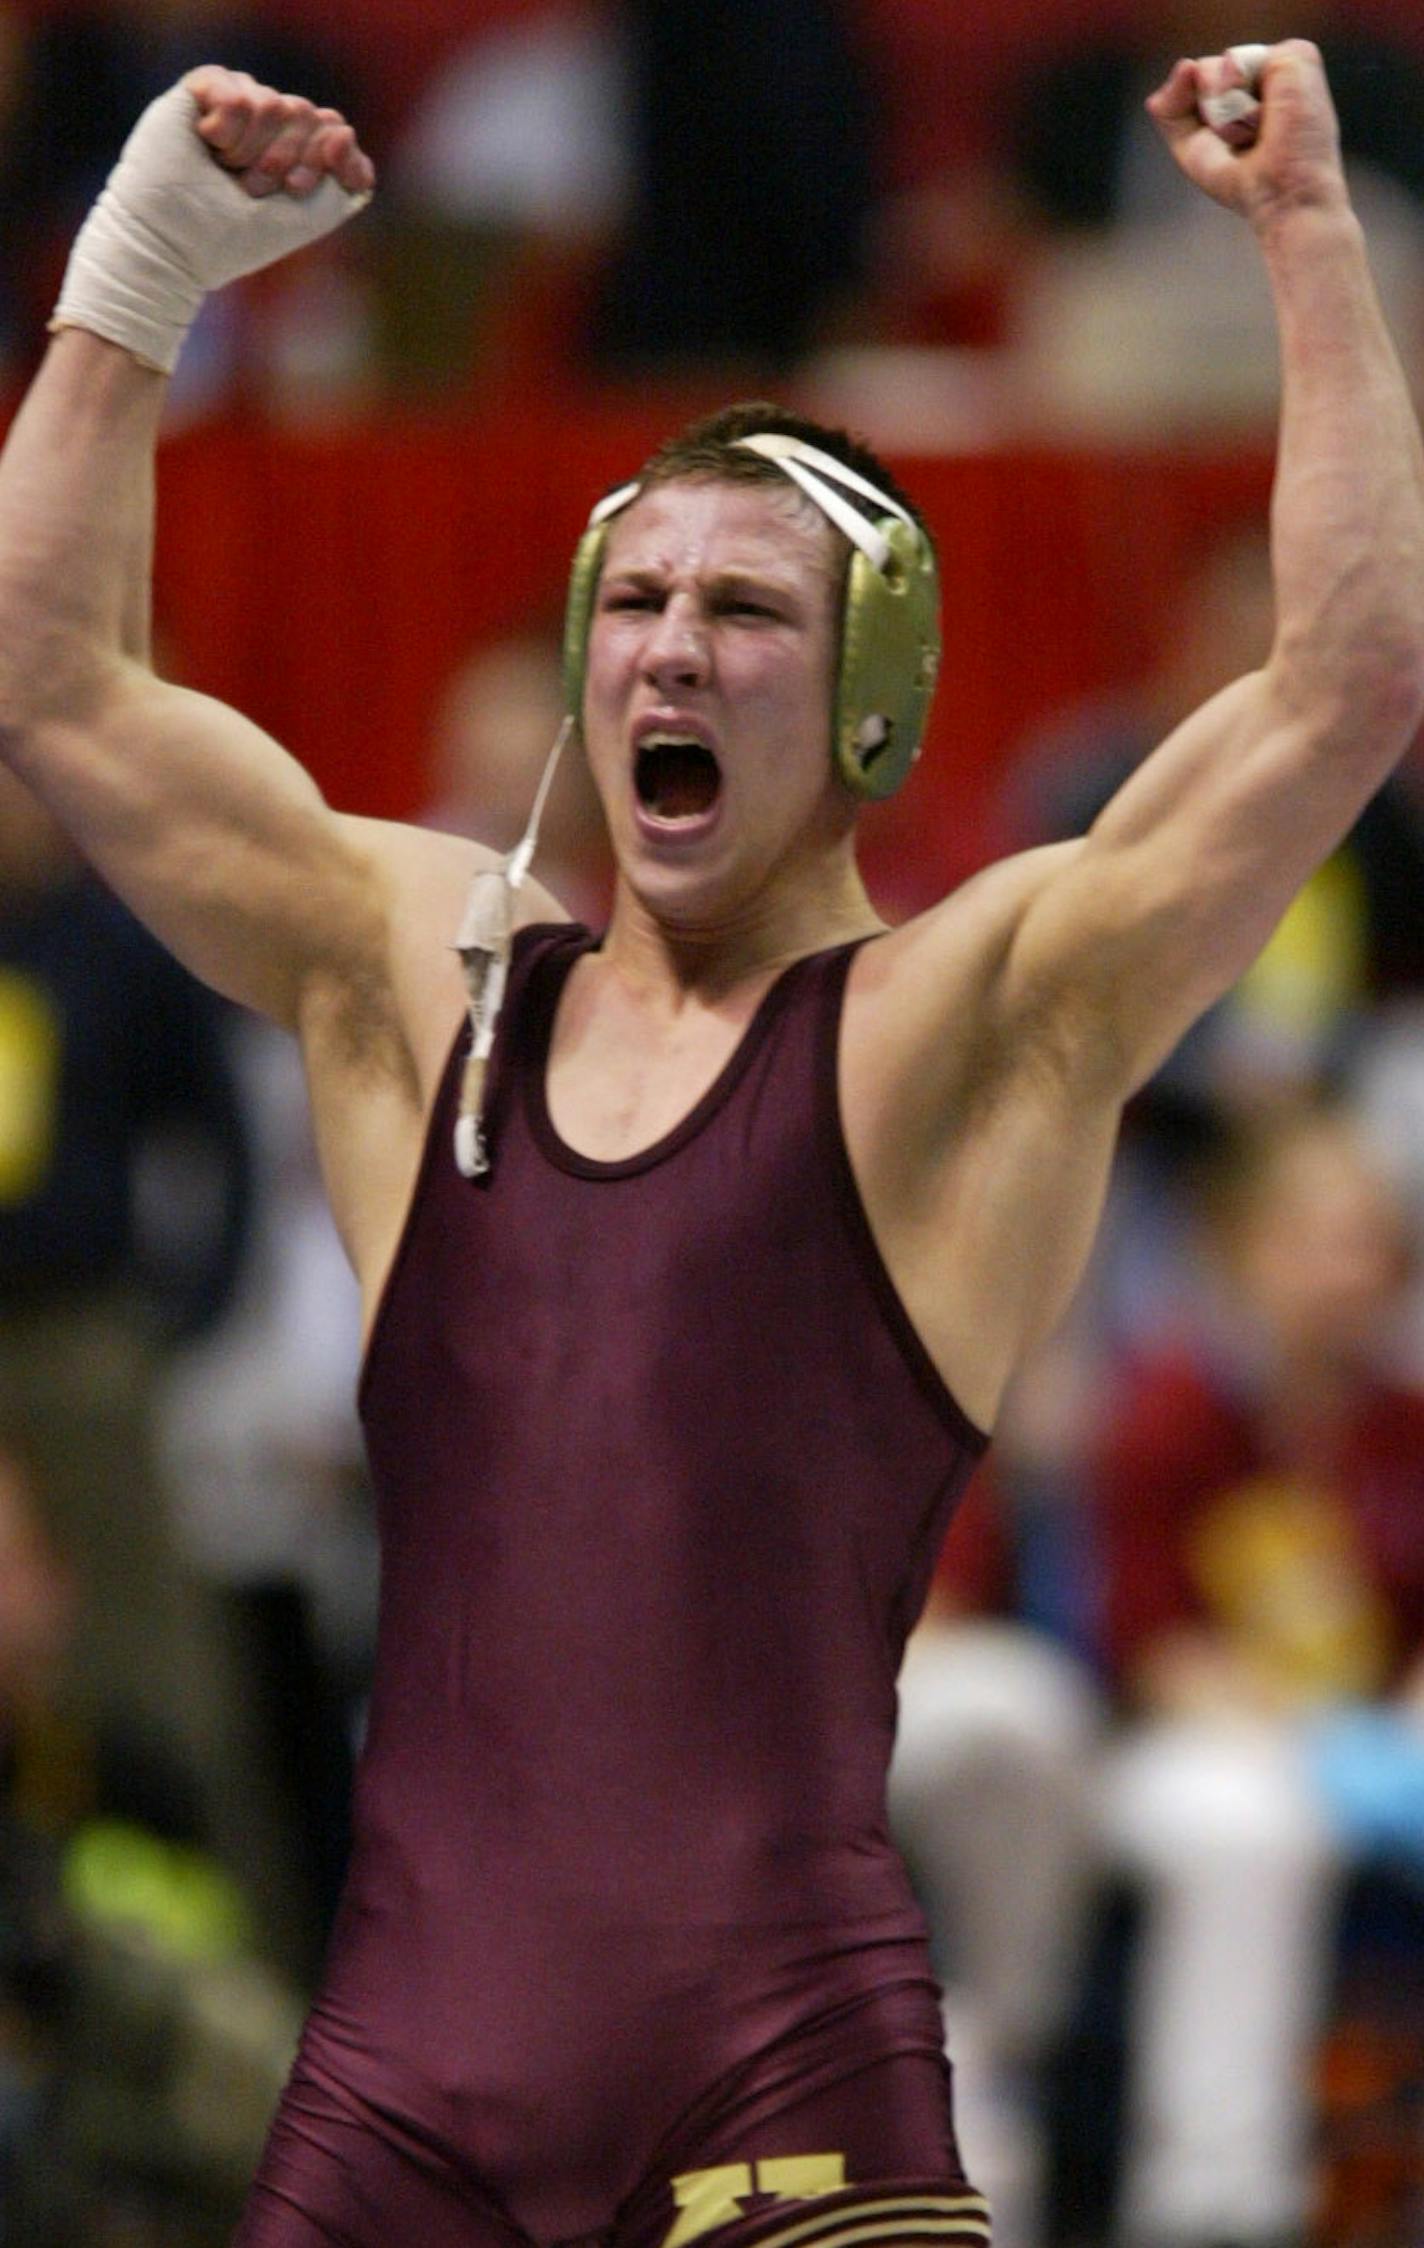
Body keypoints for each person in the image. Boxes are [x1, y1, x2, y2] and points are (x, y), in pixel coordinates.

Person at [0, 44, 1418, 2248]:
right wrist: (140, 267)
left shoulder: (960, 1021)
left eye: (741, 613)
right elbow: (55, 686)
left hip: (774, 2087)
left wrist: (1312, 246)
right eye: (633, 607)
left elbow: (1343, 684)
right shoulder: (424, 985)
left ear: (870, 698)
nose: (667, 649)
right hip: (396, 2095)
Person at [1088, 1099, 1424, 2248]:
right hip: (1191, 1745)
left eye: (1371, 1241)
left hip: (1373, 1731)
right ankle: (1214, 2203)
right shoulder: (1169, 1411)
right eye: (1319, 1237)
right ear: (1243, 1247)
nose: (1350, 1270)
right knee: (1252, 1829)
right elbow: (1146, 1649)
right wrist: (1305, 1740)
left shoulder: (1405, 1422)